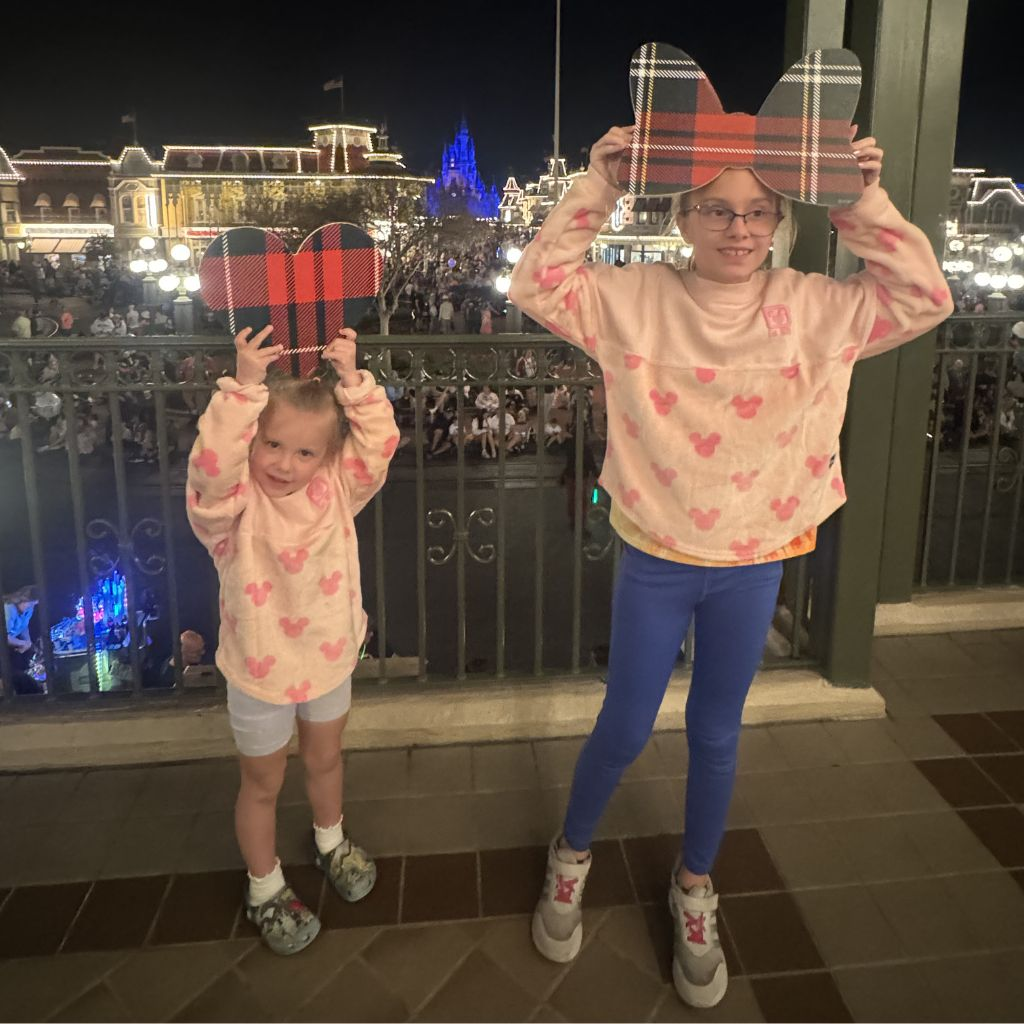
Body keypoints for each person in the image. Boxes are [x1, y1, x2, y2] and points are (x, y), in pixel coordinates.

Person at [509, 123, 952, 1007]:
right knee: (627, 725)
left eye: (757, 212)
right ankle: (572, 853)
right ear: (684, 216)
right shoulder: (632, 298)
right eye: (717, 209)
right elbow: (537, 282)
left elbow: (923, 295)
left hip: (759, 556)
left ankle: (696, 884)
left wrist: (862, 202)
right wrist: (597, 185)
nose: (738, 229)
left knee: (718, 732)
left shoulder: (820, 305)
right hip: (658, 556)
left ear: (782, 218)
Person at [186, 323, 400, 956]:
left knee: (327, 759)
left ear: (328, 458)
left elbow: (380, 444)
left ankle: (330, 840)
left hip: (330, 659)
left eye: (305, 452)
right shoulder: (228, 506)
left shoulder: (337, 488)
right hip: (259, 670)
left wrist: (355, 383)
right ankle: (265, 885)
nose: (285, 463)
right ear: (251, 440)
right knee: (261, 784)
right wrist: (245, 389)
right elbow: (211, 467)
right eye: (272, 444)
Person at [4, 585, 41, 694]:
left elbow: (24, 626)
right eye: (30, 604)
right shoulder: (8, 609)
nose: (31, 608)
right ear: (23, 600)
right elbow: (3, 637)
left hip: (12, 643)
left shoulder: (29, 608)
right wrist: (23, 643)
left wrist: (28, 643)